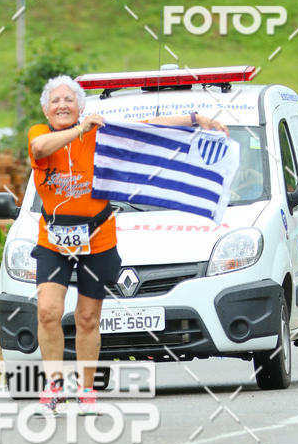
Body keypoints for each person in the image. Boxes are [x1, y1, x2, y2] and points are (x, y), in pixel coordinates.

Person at [28, 75, 228, 414]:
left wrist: (197, 120)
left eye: (69, 100)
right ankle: (55, 386)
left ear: (81, 106)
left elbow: (148, 129)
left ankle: (87, 391)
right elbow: (39, 150)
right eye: (56, 101)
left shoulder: (102, 134)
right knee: (48, 310)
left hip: (98, 236)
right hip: (55, 239)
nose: (62, 105)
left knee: (88, 316)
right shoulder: (40, 134)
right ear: (46, 109)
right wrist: (80, 130)